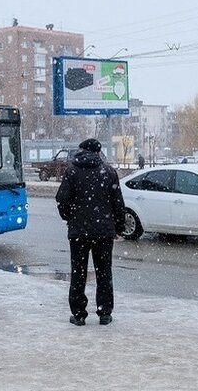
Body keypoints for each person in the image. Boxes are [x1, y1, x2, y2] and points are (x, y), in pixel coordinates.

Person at [56, 138, 126, 326]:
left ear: (81, 151)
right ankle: (104, 313)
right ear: (98, 152)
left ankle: (78, 314)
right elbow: (118, 204)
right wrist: (118, 227)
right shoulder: (109, 172)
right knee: (104, 272)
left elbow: (61, 199)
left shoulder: (71, 171)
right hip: (104, 232)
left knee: (78, 272)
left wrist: (69, 217)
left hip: (78, 233)